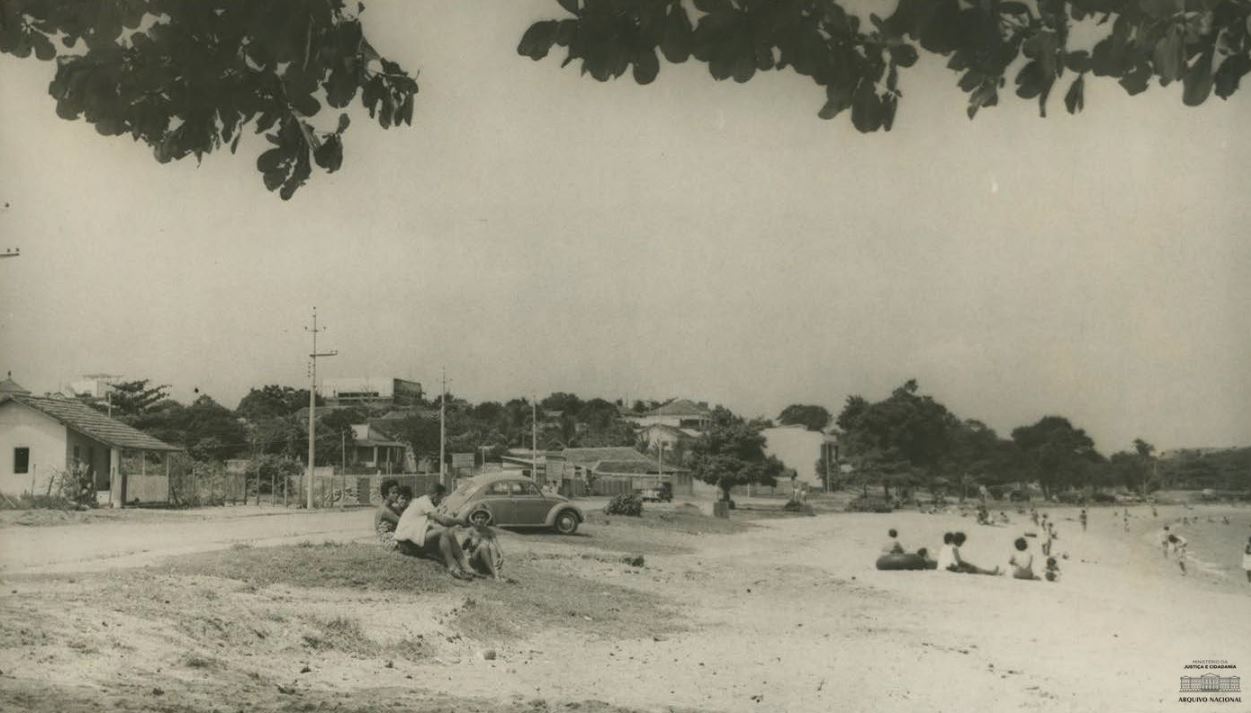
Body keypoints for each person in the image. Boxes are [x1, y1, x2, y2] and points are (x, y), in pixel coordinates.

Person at [395, 483, 478, 580]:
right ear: (435, 495)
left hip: (408, 542)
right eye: (441, 498)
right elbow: (443, 521)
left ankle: (464, 564)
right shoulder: (424, 502)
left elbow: (437, 523)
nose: (440, 502)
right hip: (406, 544)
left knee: (449, 532)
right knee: (443, 532)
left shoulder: (422, 501)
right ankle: (453, 567)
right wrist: (459, 521)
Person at [374, 478, 402, 550]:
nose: (397, 495)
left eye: (397, 492)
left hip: (392, 535)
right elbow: (403, 522)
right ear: (386, 495)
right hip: (386, 539)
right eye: (393, 493)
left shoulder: (391, 507)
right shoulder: (385, 510)